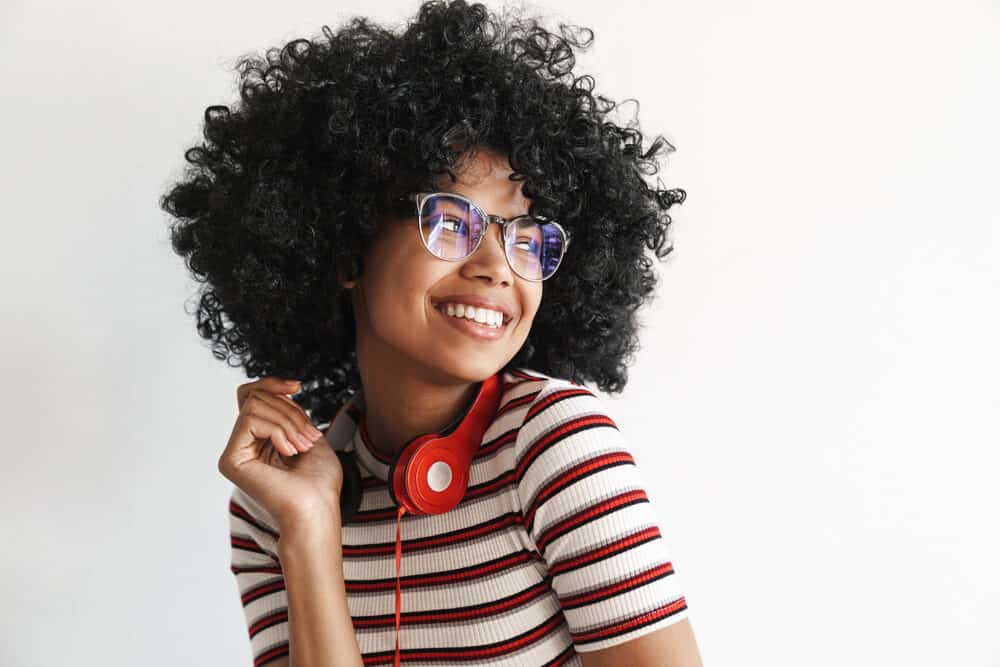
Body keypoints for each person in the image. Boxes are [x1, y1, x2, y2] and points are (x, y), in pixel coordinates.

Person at [159, 1, 701, 665]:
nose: (497, 267)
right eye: (450, 221)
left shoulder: (554, 447)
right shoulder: (271, 497)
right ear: (345, 248)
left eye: (525, 236)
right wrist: (307, 528)